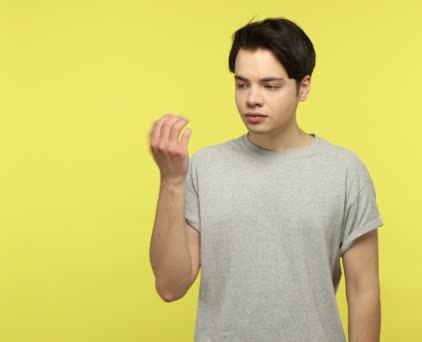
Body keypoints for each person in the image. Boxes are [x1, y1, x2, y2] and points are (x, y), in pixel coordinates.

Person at [149, 17, 383, 341]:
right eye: (242, 84)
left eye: (270, 86)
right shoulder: (206, 166)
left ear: (303, 87)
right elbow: (170, 285)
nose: (252, 99)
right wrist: (172, 181)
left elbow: (363, 293)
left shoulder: (344, 172)